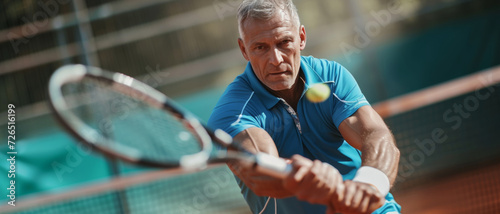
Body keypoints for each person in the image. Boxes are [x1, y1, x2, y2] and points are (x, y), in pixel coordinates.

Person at [207, 0, 401, 213]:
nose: (276, 59)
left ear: (301, 38)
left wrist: (369, 184)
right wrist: (301, 176)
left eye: (284, 42)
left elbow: (375, 135)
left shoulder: (332, 78)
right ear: (244, 50)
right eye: (260, 47)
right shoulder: (233, 112)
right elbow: (260, 169)